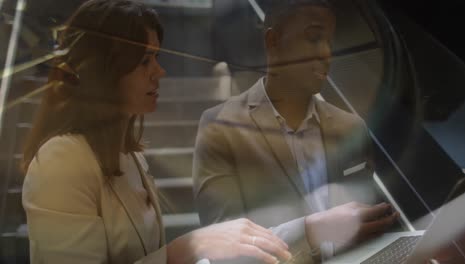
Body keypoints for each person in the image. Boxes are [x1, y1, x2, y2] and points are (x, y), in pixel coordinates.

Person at [20, 1, 292, 263]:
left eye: (156, 57)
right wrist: (183, 250)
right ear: (102, 70)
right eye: (144, 61)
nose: (159, 72)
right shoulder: (61, 160)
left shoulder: (130, 156)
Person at [193, 0, 398, 262]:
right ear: (273, 41)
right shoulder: (221, 127)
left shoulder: (351, 127)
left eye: (329, 41)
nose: (326, 53)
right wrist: (315, 231)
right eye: (313, 38)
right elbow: (225, 251)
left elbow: (369, 224)